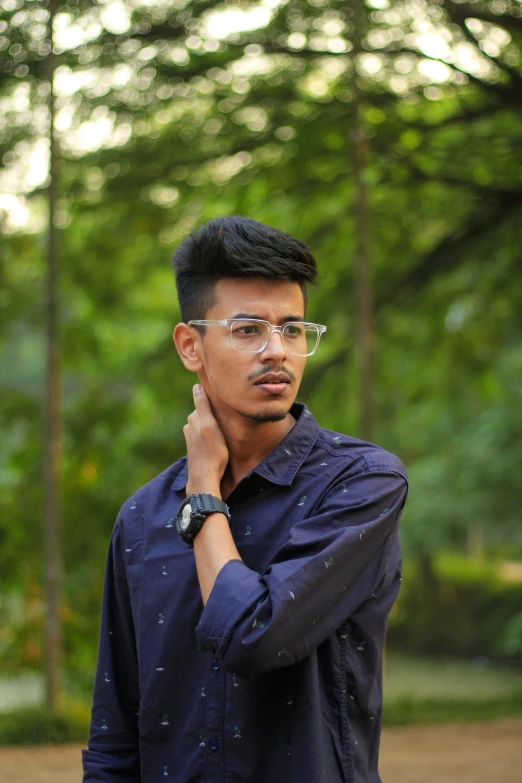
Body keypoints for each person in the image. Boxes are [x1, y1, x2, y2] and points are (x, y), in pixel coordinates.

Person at [82, 216, 409, 783]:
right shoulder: (140, 518)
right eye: (248, 328)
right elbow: (116, 736)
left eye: (292, 328)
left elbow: (253, 636)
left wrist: (202, 492)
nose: (277, 351)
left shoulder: (361, 484)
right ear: (191, 345)